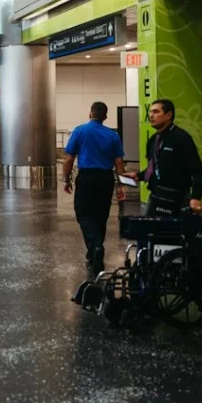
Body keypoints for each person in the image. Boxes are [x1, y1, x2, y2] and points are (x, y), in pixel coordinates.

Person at [62, 102, 126, 276]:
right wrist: (122, 185)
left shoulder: (80, 131)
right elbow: (119, 163)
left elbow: (68, 159)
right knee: (101, 216)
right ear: (105, 117)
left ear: (90, 113)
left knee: (83, 214)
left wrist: (66, 179)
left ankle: (96, 247)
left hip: (87, 178)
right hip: (106, 179)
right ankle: (94, 253)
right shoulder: (113, 135)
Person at [128, 99, 202, 216]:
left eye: (156, 112)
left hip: (177, 198)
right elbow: (153, 168)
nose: (151, 115)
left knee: (172, 233)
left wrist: (196, 197)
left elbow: (198, 171)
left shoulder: (181, 138)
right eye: (150, 112)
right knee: (148, 232)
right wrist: (138, 176)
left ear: (168, 115)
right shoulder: (153, 140)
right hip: (156, 195)